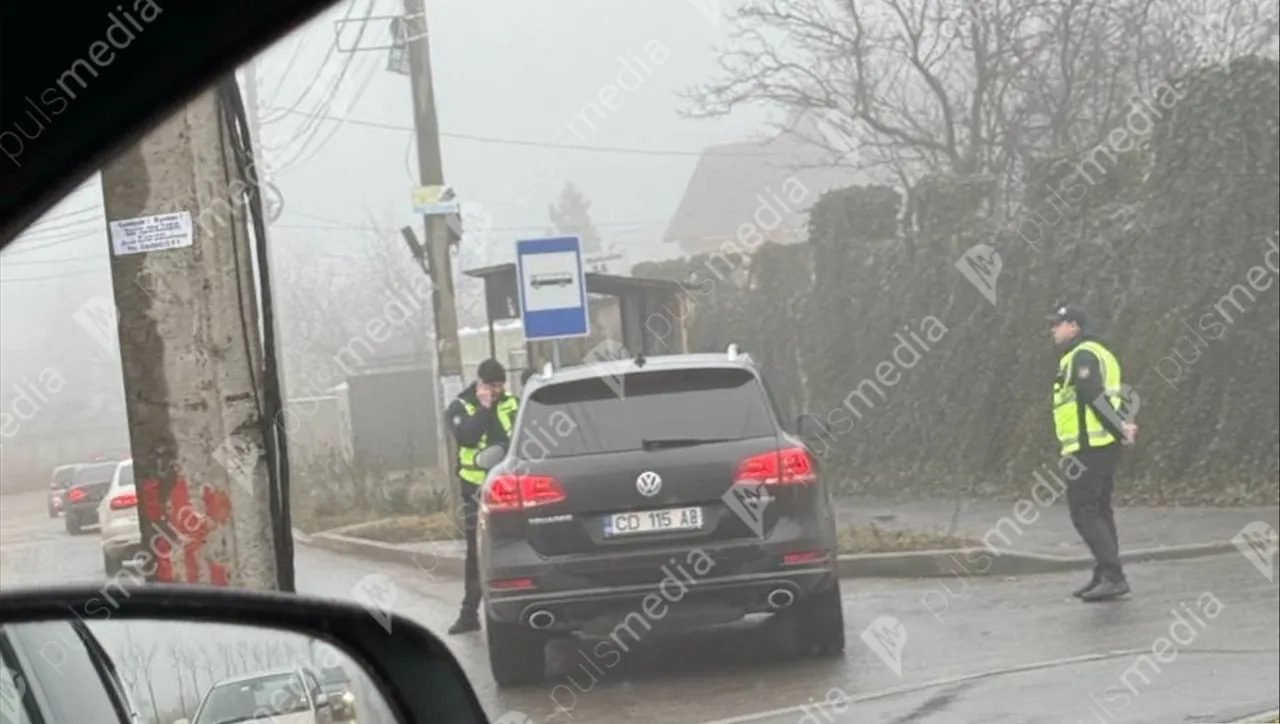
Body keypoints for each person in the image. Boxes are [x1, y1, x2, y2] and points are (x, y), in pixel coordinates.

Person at [1048, 305, 1138, 602]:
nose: (1053, 330)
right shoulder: (1099, 353)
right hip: (1099, 445)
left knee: (1084, 512)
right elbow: (1111, 397)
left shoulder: (1083, 354)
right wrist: (1121, 426)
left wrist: (1118, 429)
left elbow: (1092, 395)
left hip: (1089, 446)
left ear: (1073, 326)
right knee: (1099, 510)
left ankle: (1114, 576)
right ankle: (1105, 573)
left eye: (1058, 324)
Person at [445, 358, 520, 634]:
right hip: (475, 490)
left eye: (500, 385)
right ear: (479, 383)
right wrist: (485, 409)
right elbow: (467, 437)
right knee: (476, 551)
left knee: (517, 542)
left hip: (511, 488)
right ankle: (469, 613)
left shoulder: (512, 403)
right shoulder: (460, 406)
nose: (497, 391)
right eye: (491, 386)